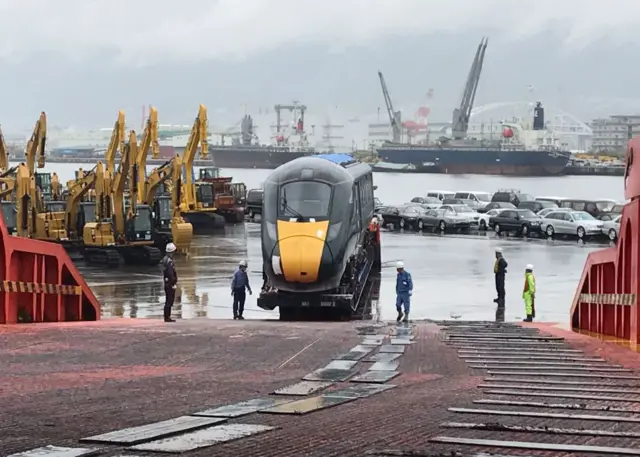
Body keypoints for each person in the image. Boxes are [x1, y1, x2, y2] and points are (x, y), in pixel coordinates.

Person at [161, 243, 178, 323]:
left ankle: (167, 316)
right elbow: (170, 273)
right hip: (169, 284)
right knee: (169, 301)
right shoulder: (169, 261)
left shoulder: (165, 259)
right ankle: (167, 317)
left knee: (168, 300)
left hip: (166, 282)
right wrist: (173, 282)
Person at [493, 247, 508, 322]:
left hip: (500, 276)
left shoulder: (501, 260)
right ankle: (499, 298)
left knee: (501, 287)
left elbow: (505, 264)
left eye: (496, 254)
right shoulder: (498, 260)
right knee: (498, 287)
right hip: (498, 275)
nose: (495, 255)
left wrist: (502, 270)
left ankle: (501, 300)